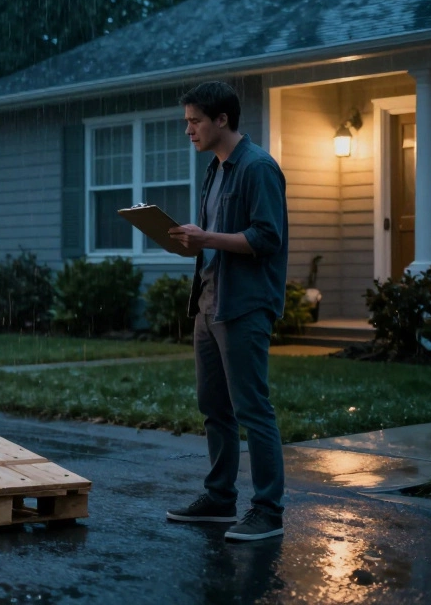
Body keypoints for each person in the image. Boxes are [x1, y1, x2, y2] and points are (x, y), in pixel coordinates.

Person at [165, 81, 289, 542]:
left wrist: (208, 239)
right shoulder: (215, 170)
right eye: (187, 122)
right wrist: (191, 241)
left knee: (252, 408)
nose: (189, 131)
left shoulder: (257, 168)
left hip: (244, 304)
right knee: (214, 407)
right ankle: (220, 499)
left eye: (195, 121)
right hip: (209, 300)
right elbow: (216, 237)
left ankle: (268, 510)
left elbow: (266, 238)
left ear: (222, 120)